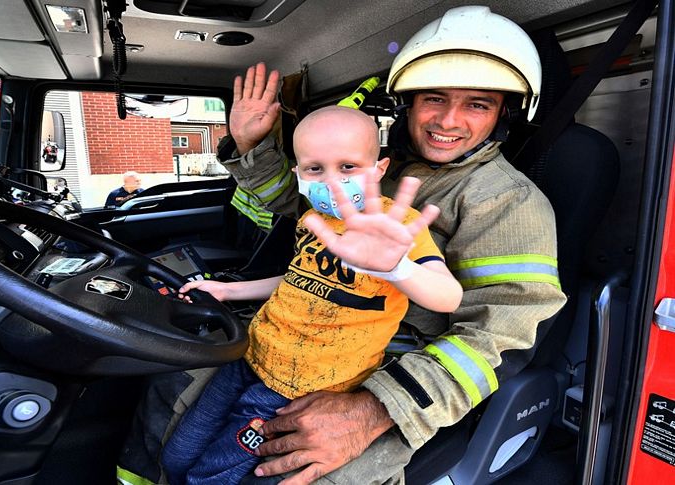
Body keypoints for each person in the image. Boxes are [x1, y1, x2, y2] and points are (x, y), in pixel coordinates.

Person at [117, 6, 567, 484]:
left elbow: (502, 337)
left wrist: (375, 408)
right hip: (292, 340)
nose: (449, 120)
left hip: (391, 376)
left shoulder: (507, 202)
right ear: (407, 105)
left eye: (478, 103)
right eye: (434, 98)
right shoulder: (382, 167)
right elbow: (303, 207)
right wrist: (250, 146)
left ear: (503, 115)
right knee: (170, 388)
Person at [159, 106, 462, 484]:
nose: (332, 182)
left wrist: (397, 267)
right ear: (298, 174)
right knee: (176, 455)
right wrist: (226, 289)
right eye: (315, 169)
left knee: (210, 476)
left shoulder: (394, 227)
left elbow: (449, 297)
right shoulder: (311, 221)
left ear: (379, 170)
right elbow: (296, 279)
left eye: (348, 167)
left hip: (300, 388)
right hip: (250, 357)